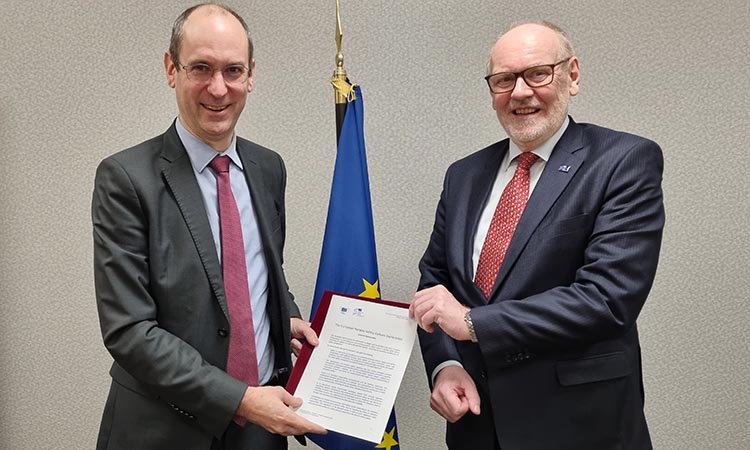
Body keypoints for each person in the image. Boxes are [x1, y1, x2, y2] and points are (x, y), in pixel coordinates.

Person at [409, 21, 663, 450]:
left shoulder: (624, 161)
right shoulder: (464, 175)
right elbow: (435, 287)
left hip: (580, 427)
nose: (520, 92)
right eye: (504, 80)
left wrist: (472, 324)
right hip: (478, 426)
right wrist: (444, 366)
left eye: (537, 74)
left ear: (573, 75)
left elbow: (606, 299)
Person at [92, 3, 326, 449]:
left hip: (262, 429)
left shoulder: (267, 168)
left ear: (251, 75)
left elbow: (258, 270)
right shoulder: (125, 178)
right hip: (164, 431)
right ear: (170, 69)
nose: (219, 89)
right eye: (201, 67)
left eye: (233, 70)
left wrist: (285, 315)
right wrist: (239, 400)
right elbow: (129, 331)